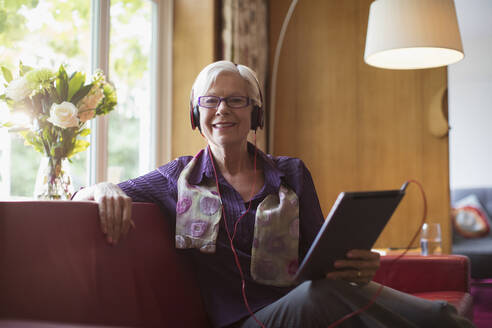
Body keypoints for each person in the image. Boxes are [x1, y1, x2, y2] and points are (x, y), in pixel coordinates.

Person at [73, 61, 474, 328]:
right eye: (210, 101)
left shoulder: (292, 172)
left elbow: (322, 256)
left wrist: (355, 265)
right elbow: (81, 196)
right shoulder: (178, 177)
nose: (222, 110)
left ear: (255, 114)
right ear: (197, 115)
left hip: (306, 302)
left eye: (236, 100)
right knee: (320, 297)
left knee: (349, 296)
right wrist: (104, 185)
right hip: (244, 320)